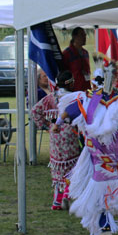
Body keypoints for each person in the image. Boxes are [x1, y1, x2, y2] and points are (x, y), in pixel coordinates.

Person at [53, 54, 118, 235]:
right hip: (108, 151)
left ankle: (104, 226)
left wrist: (58, 123)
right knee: (108, 185)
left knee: (101, 189)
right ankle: (105, 224)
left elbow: (68, 112)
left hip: (101, 151)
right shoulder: (117, 100)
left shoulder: (94, 99)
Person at [31, 70, 80, 210]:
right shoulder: (74, 97)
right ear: (69, 83)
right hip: (70, 133)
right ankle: (66, 195)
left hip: (55, 135)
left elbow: (35, 111)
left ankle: (57, 202)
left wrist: (46, 125)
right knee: (72, 167)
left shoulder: (51, 97)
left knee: (58, 167)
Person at [62, 27, 91, 92]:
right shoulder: (67, 53)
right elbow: (64, 74)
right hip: (74, 91)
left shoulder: (85, 53)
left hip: (86, 89)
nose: (84, 37)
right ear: (74, 37)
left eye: (85, 35)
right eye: (82, 35)